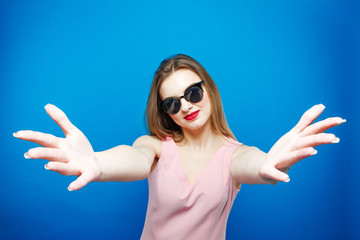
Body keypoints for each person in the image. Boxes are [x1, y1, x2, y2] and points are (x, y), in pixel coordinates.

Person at [13, 54, 346, 240]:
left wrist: (272, 164)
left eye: (193, 93)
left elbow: (254, 164)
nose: (185, 106)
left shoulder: (234, 156)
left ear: (209, 90)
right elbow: (134, 157)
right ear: (166, 113)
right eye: (172, 103)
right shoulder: (157, 147)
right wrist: (97, 163)